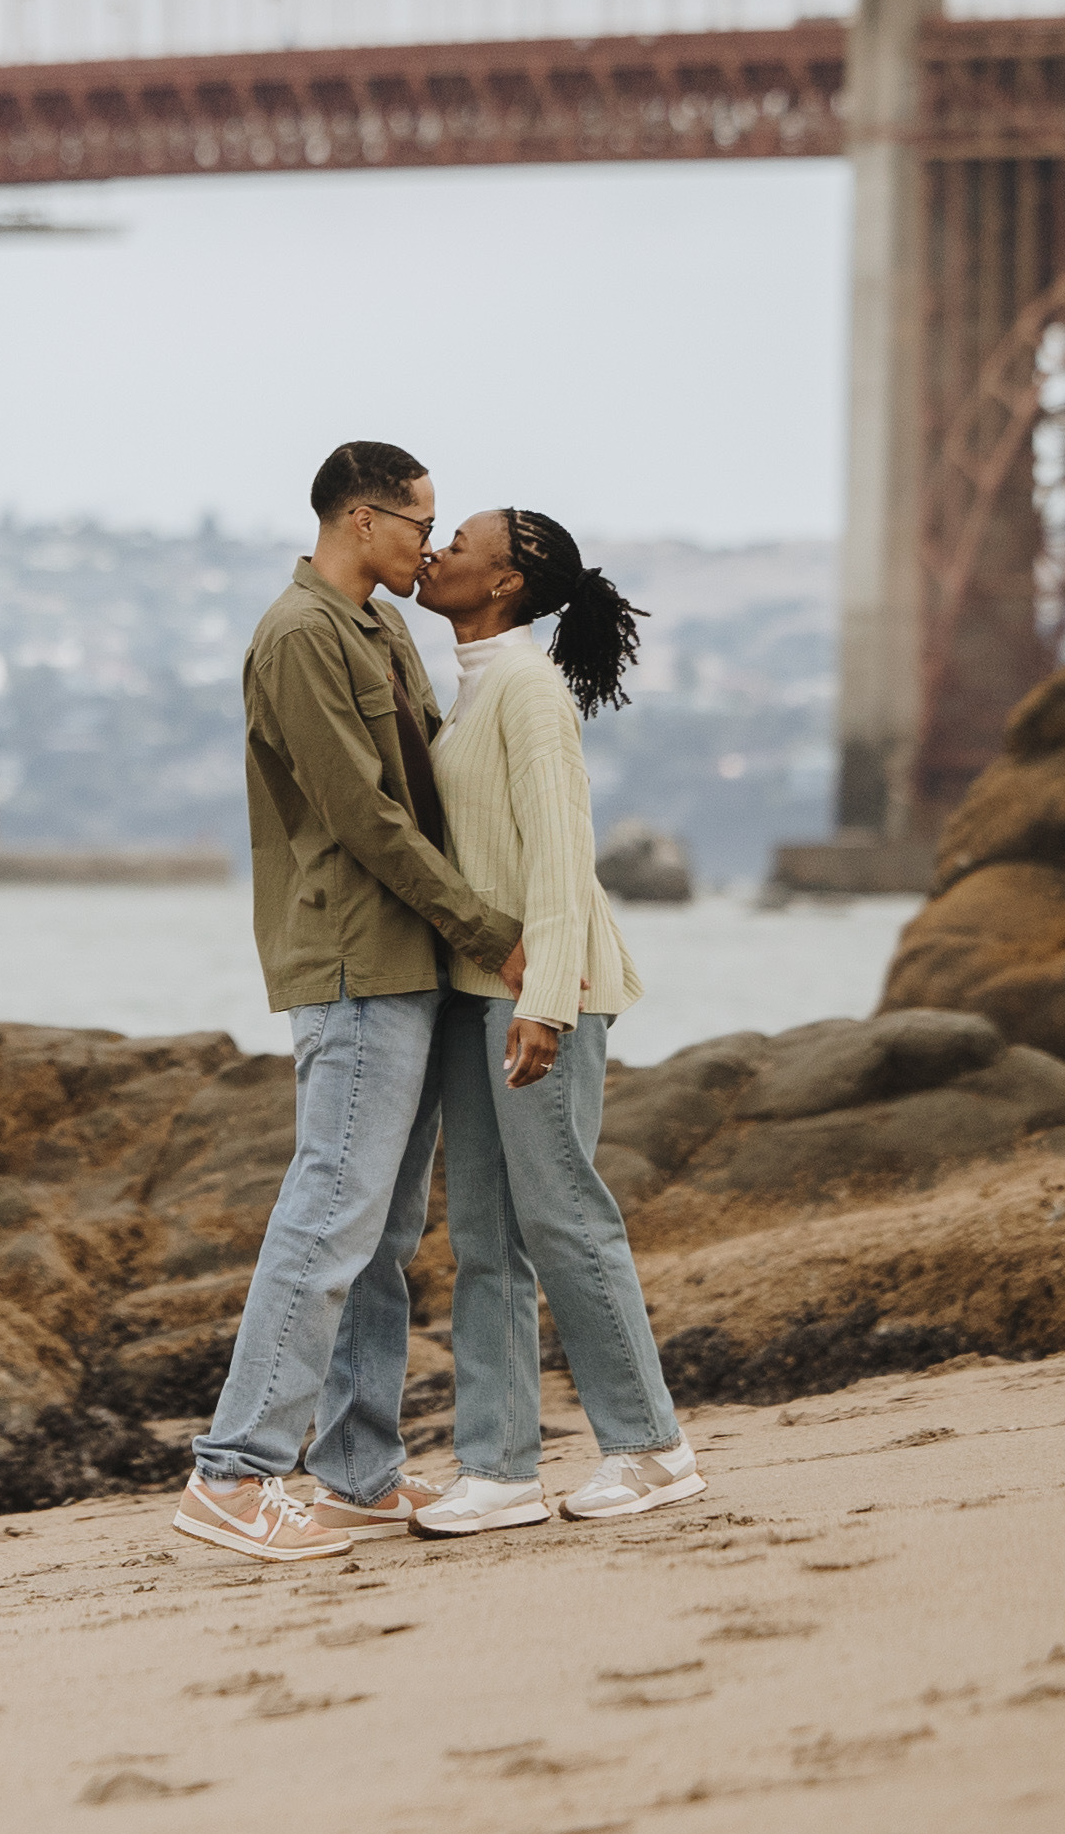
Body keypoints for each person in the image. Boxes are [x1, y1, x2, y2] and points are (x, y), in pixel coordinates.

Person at [172, 442, 531, 1566]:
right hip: (350, 959)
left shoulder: (377, 625)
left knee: (379, 1232)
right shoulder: (295, 635)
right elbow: (365, 818)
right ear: (363, 518)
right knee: (328, 1213)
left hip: (409, 960)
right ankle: (231, 1474)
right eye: (418, 524)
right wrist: (488, 929)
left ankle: (356, 1475)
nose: (429, 545)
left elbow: (432, 780)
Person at [408, 504, 702, 1529]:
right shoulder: (474, 683)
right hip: (475, 992)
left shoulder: (528, 690)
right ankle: (497, 1467)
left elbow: (560, 855)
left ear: (501, 582)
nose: (434, 549)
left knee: (564, 1212)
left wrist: (546, 1004)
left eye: (458, 543)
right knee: (486, 1233)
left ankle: (653, 1446)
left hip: (540, 997)